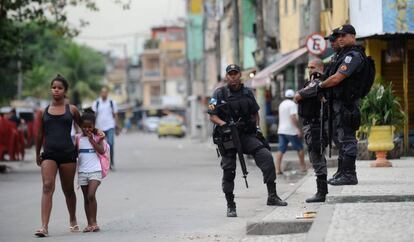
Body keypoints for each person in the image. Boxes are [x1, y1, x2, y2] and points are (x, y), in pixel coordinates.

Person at [208, 64, 287, 218]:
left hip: (246, 135)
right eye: (230, 74)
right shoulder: (219, 93)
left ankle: (272, 196)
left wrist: (257, 127)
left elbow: (255, 113)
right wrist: (224, 124)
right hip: (229, 137)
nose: (232, 76)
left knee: (265, 156)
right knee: (229, 170)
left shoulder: (247, 92)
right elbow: (212, 115)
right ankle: (230, 204)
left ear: (240, 75)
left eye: (235, 73)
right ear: (226, 76)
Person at [316, 24, 366, 185]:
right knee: (340, 139)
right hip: (338, 104)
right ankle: (342, 171)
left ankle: (350, 174)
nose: (339, 39)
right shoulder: (341, 56)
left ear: (353, 36)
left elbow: (338, 78)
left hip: (348, 104)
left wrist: (320, 86)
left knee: (347, 139)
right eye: (338, 37)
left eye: (343, 36)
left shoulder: (353, 56)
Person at [35, 74, 81, 237]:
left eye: (60, 88)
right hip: (49, 154)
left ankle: (73, 219)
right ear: (51, 89)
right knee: (47, 186)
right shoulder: (43, 111)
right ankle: (44, 226)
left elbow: (84, 129)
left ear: (65, 91)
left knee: (68, 189)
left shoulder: (72, 110)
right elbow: (39, 134)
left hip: (68, 154)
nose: (56, 90)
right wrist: (37, 154)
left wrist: (97, 136)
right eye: (54, 87)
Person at [294, 59, 328, 202]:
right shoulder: (313, 82)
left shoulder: (318, 82)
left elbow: (298, 96)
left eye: (313, 67)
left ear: (320, 68)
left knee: (316, 157)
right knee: (317, 157)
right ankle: (322, 191)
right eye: (308, 67)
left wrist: (300, 94)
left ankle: (321, 193)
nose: (310, 70)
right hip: (312, 125)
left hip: (315, 126)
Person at [76, 110, 105, 233]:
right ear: (81, 126)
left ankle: (95, 222)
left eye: (90, 127)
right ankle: (89, 224)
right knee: (86, 198)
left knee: (91, 195)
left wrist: (92, 139)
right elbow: (74, 154)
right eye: (84, 127)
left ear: (94, 126)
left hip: (95, 171)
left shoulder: (98, 137)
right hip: (82, 172)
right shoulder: (77, 138)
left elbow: (101, 151)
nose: (87, 129)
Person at [275, 89, 307, 174]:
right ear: (293, 96)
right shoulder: (292, 104)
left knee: (280, 150)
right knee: (300, 148)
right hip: (291, 130)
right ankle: (303, 167)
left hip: (281, 130)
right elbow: (293, 117)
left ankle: (277, 169)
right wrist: (297, 129)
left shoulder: (281, 104)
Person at [92, 86, 119, 170]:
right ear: (100, 93)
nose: (104, 93)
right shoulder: (96, 103)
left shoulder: (112, 102)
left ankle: (112, 163)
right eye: (102, 92)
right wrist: (92, 128)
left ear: (107, 93)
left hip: (110, 126)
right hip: (99, 127)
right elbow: (93, 116)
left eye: (105, 92)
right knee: (100, 146)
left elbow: (115, 115)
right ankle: (101, 163)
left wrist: (117, 126)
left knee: (110, 144)